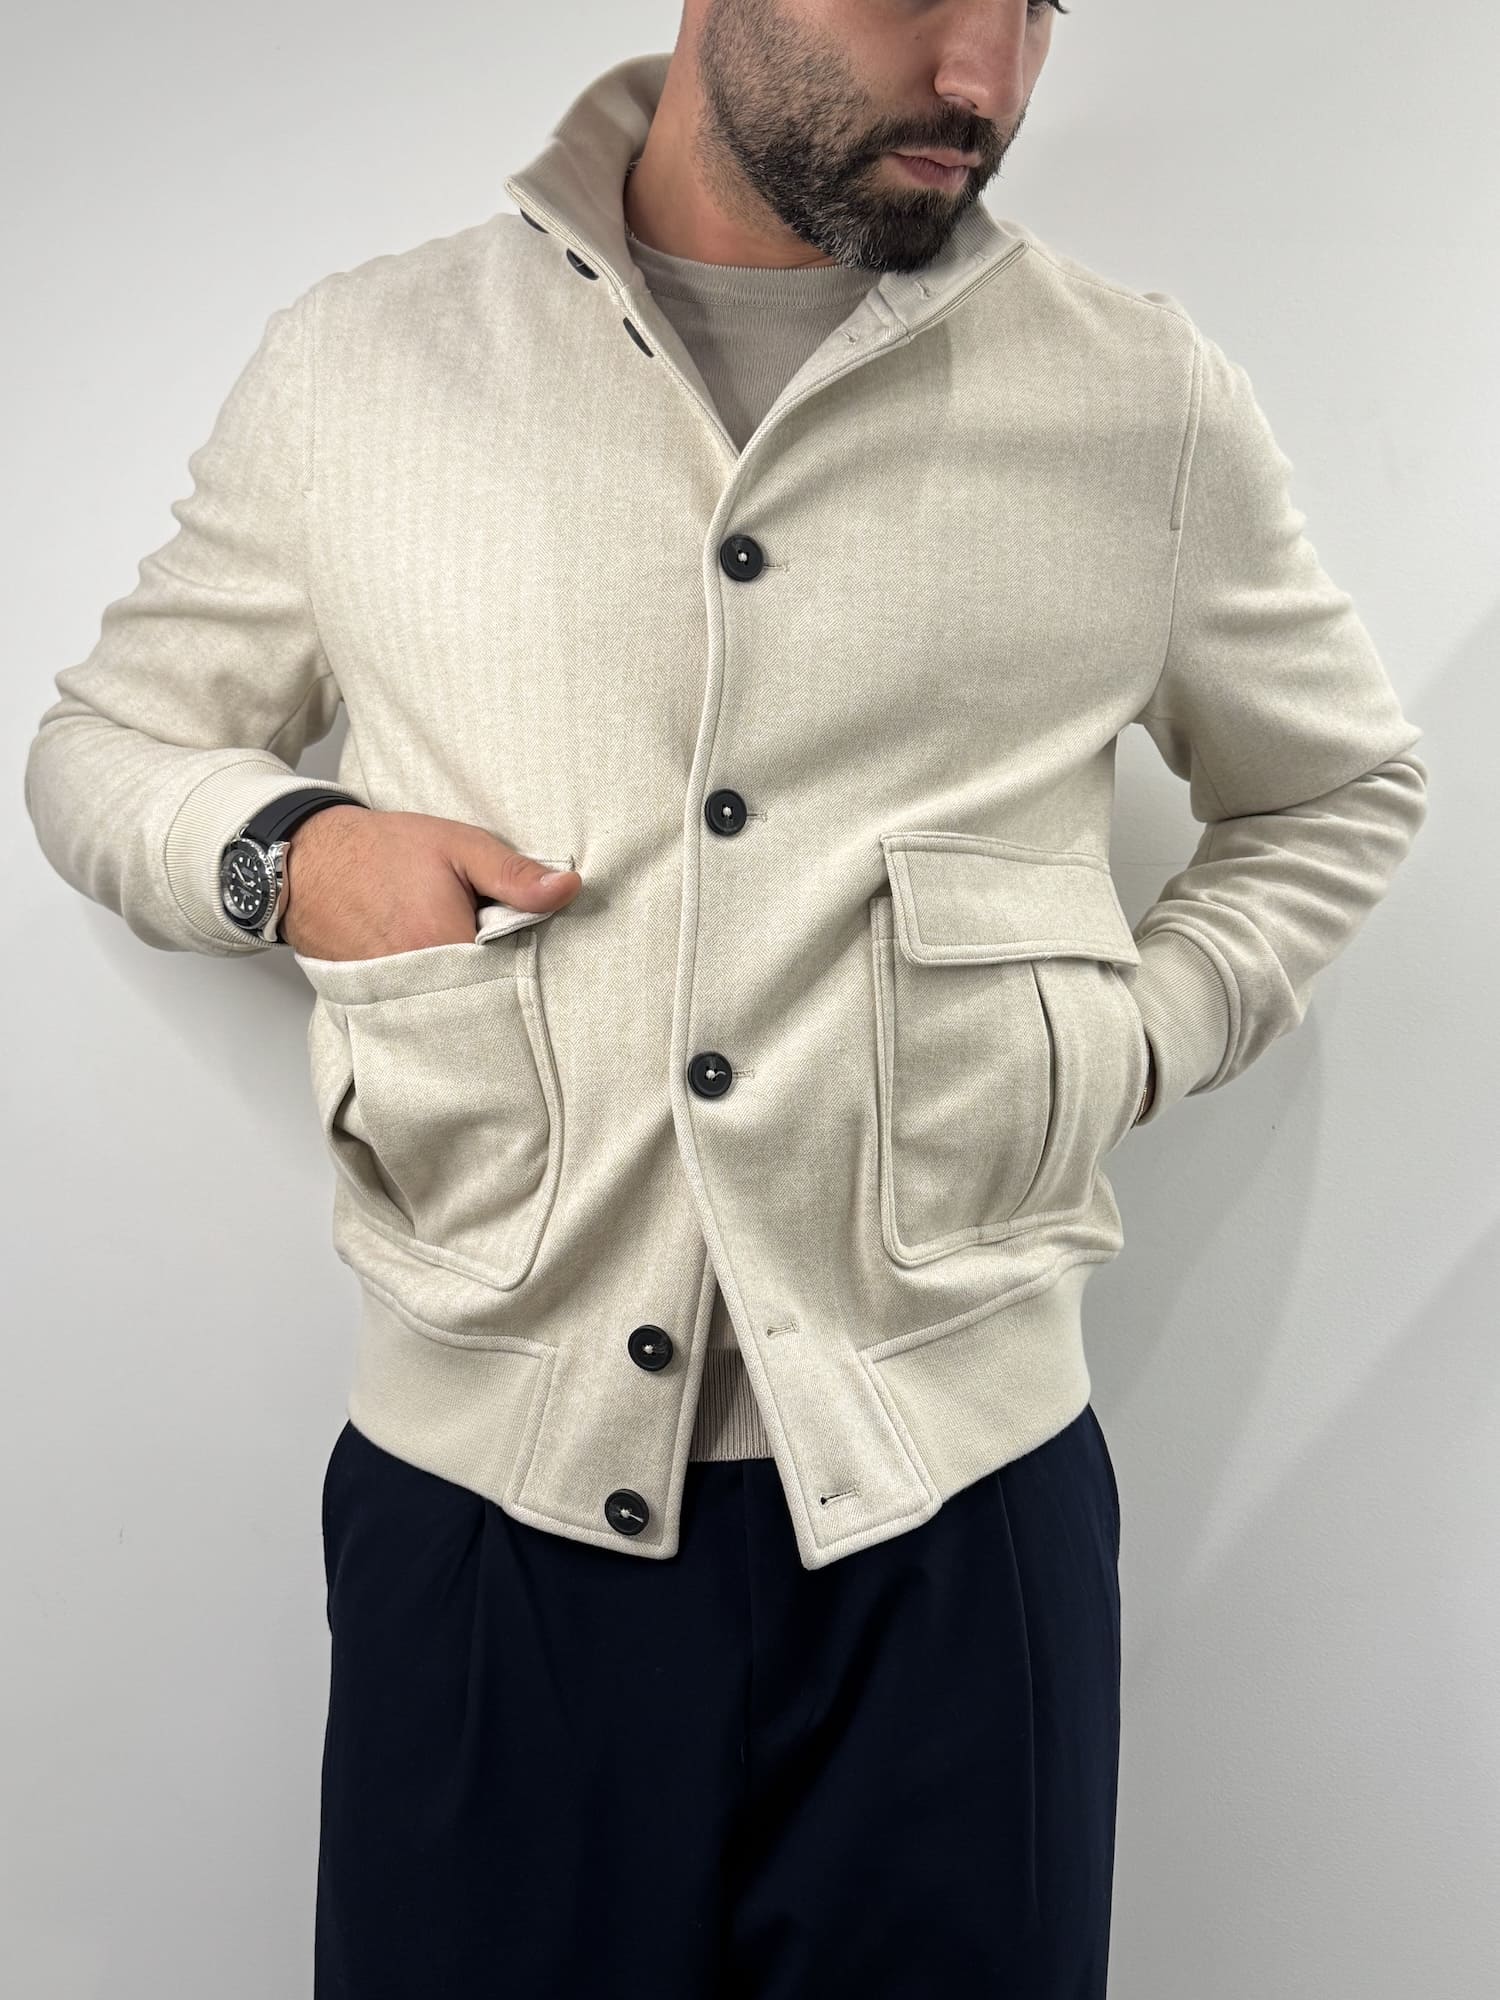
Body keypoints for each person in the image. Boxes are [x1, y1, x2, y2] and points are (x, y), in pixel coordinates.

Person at [22, 4, 1429, 1993]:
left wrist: (1139, 1031)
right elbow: (104, 748)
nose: (986, 77)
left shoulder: (1138, 397)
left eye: (1039, 3)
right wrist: (290, 854)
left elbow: (1334, 790)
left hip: (962, 1518)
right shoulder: (369, 362)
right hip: (487, 1509)